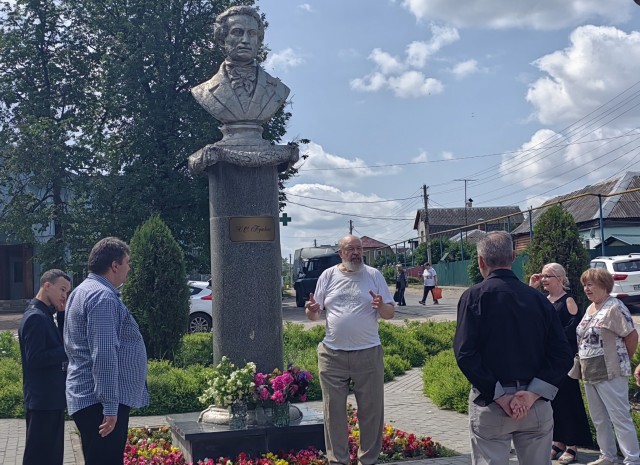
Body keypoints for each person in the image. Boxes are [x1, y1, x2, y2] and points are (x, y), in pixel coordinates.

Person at [453, 231, 573, 465]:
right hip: (535, 404)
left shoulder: (473, 297)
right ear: (513, 257)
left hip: (491, 404)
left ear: (480, 261)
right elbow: (562, 353)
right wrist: (532, 394)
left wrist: (499, 395)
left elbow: (465, 353)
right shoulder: (539, 300)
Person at [305, 234, 395, 465]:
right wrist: (311, 310)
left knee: (371, 412)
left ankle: (368, 460)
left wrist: (381, 306)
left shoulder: (374, 275)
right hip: (332, 355)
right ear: (341, 253)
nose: (355, 253)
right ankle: (338, 460)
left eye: (359, 249)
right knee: (333, 412)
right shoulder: (328, 276)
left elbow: (390, 313)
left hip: (368, 353)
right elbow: (314, 315)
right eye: (350, 249)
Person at [64, 237, 149, 465]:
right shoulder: (102, 297)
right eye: (127, 262)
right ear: (114, 265)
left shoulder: (82, 291)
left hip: (91, 399)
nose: (129, 268)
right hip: (100, 404)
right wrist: (110, 407)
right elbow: (103, 354)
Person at [529, 263, 593, 464]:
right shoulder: (542, 299)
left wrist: (551, 342)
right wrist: (532, 288)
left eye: (548, 276)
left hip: (563, 362)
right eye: (542, 275)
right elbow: (528, 313)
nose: (544, 279)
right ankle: (558, 442)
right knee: (552, 401)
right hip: (546, 360)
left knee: (568, 401)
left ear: (559, 278)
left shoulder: (568, 301)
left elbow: (572, 330)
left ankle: (572, 444)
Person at [191, 6, 290, 135]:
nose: (245, 40)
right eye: (237, 32)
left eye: (252, 33)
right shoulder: (203, 91)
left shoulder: (279, 89)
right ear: (222, 40)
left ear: (258, 40)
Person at [577, 268, 640, 465]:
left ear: (604, 285)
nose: (586, 289)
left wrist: (622, 360)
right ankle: (608, 456)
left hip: (611, 371)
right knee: (599, 418)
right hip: (590, 372)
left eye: (590, 284)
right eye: (584, 285)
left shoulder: (615, 307)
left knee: (620, 417)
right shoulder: (590, 308)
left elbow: (631, 336)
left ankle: (632, 459)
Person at [18, 269, 71, 465]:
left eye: (67, 292)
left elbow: (59, 341)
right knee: (39, 456)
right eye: (62, 290)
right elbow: (35, 359)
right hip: (43, 401)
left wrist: (62, 314)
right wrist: (68, 351)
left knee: (51, 456)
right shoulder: (36, 317)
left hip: (50, 400)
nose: (65, 296)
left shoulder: (45, 315)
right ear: (47, 285)